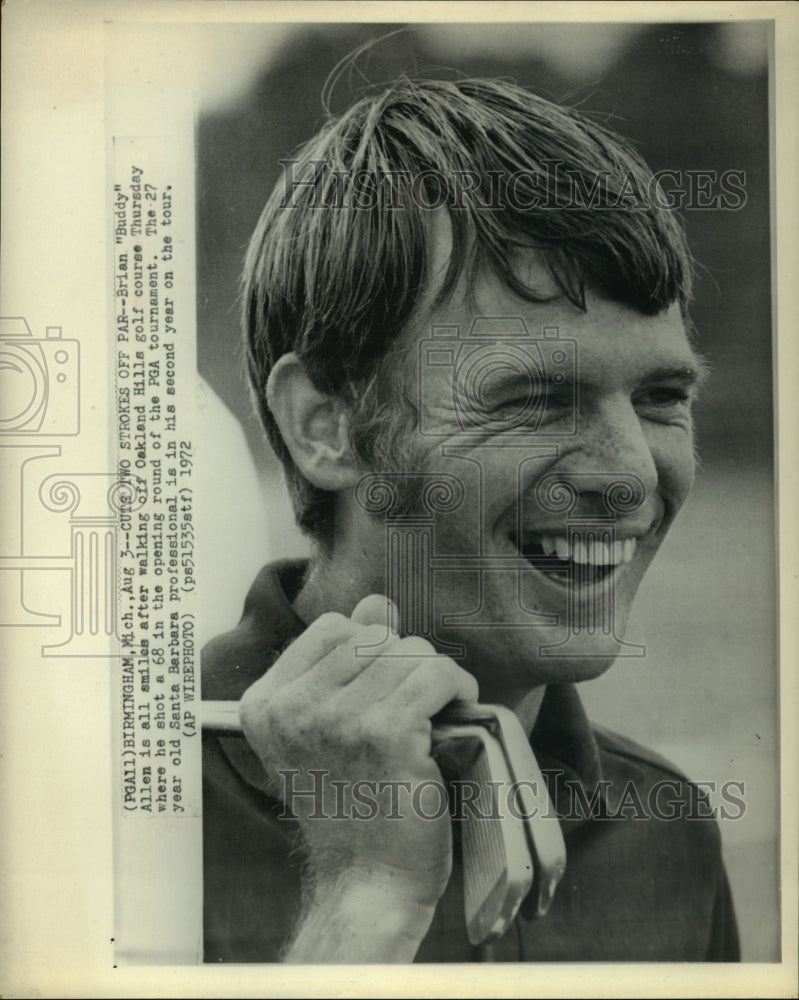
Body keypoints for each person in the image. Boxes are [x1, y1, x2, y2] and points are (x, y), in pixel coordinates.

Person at [201, 76, 740, 963]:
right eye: (533, 398)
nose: (629, 475)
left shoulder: (665, 833)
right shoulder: (107, 809)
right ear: (324, 427)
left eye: (660, 397)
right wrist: (359, 903)